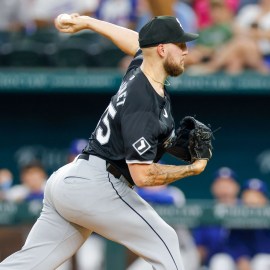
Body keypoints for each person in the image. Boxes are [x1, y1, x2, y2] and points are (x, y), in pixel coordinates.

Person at [0, 14, 210, 270]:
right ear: (163, 49)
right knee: (165, 239)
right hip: (100, 185)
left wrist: (89, 22)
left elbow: (137, 42)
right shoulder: (143, 101)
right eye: (182, 45)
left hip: (71, 180)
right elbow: (142, 176)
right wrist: (192, 169)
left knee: (29, 264)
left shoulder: (142, 68)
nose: (187, 51)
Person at [193, 167, 240, 270]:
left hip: (246, 259)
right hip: (216, 260)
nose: (224, 187)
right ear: (213, 188)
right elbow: (200, 246)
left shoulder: (245, 209)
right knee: (220, 262)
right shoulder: (207, 212)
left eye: (228, 183)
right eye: (220, 184)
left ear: (236, 187)